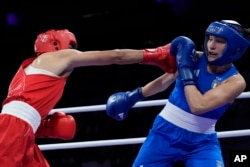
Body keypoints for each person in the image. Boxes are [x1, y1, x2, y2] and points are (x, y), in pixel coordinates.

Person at [0, 29, 178, 167]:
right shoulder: (58, 57)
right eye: (71, 47)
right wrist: (156, 54)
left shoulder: (27, 71)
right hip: (14, 131)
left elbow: (17, 116)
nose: (74, 52)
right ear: (56, 45)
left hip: (21, 132)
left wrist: (46, 128)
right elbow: (116, 56)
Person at [106, 20, 250, 167]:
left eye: (219, 41)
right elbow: (164, 81)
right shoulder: (194, 58)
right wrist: (133, 97)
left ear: (234, 47)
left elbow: (198, 105)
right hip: (164, 133)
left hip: (202, 143)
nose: (211, 45)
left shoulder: (235, 82)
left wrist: (186, 71)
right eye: (210, 39)